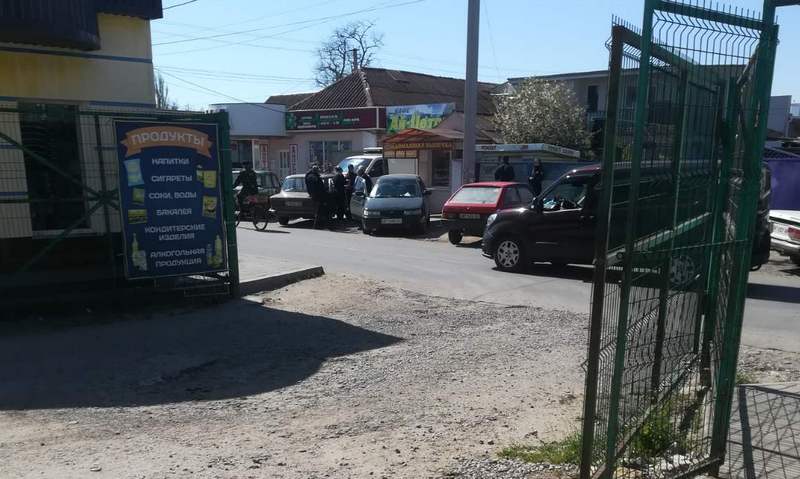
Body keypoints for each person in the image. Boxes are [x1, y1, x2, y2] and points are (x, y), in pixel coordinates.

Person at [305, 164, 326, 229]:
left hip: (313, 194)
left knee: (317, 210)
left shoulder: (308, 175)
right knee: (319, 210)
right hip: (317, 195)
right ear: (315, 170)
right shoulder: (314, 177)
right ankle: (317, 224)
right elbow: (318, 187)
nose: (318, 171)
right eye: (317, 170)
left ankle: (317, 224)